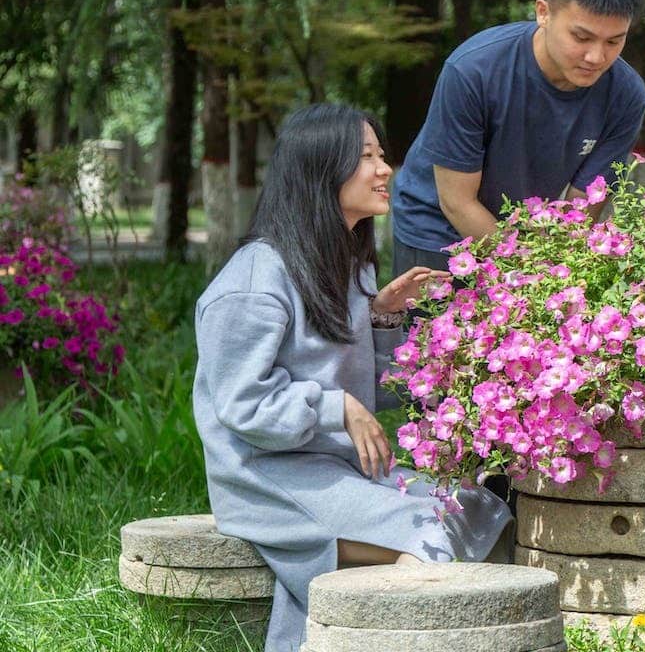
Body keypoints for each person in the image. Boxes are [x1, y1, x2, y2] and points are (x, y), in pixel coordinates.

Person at [192, 104, 511, 652]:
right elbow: (242, 405)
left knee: (479, 507)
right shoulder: (253, 280)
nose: (385, 168)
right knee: (432, 537)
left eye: (382, 154)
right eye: (367, 157)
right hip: (270, 479)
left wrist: (382, 315)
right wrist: (336, 407)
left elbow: (371, 386)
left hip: (336, 467)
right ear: (323, 169)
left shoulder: (346, 264)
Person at [390, 0, 645, 274]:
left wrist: (546, 270)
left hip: (525, 239)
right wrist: (529, 270)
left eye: (614, 41)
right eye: (581, 38)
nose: (596, 57)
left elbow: (580, 210)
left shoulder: (626, 96)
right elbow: (456, 201)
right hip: (437, 227)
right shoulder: (473, 71)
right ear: (543, 12)